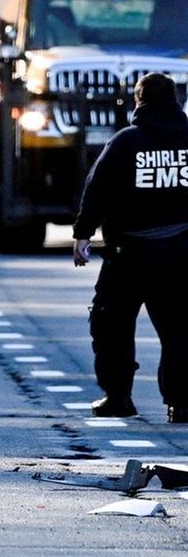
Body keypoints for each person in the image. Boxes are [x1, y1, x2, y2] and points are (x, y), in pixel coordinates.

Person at [73, 71, 188, 424]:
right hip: (181, 252)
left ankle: (118, 397)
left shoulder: (125, 142)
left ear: (139, 101)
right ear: (175, 100)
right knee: (181, 330)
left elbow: (98, 188)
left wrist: (82, 235)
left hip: (129, 256)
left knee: (112, 327)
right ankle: (182, 403)